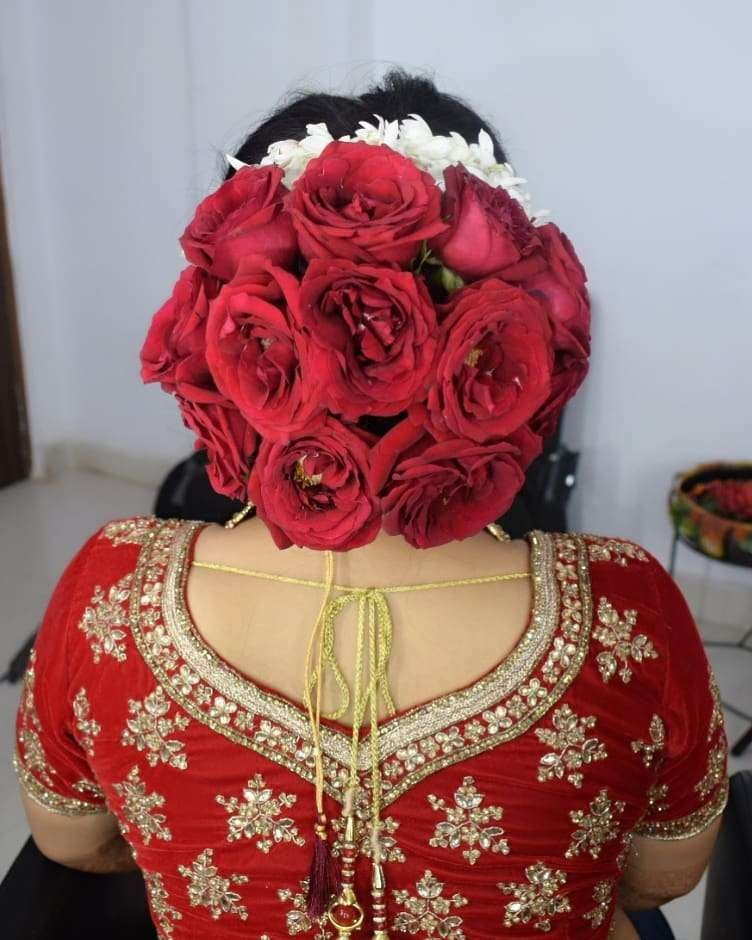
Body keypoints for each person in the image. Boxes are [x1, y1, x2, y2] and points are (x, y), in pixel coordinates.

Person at [13, 71, 727, 939]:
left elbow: (71, 840)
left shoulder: (113, 593)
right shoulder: (624, 608)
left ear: (224, 334)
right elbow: (662, 877)